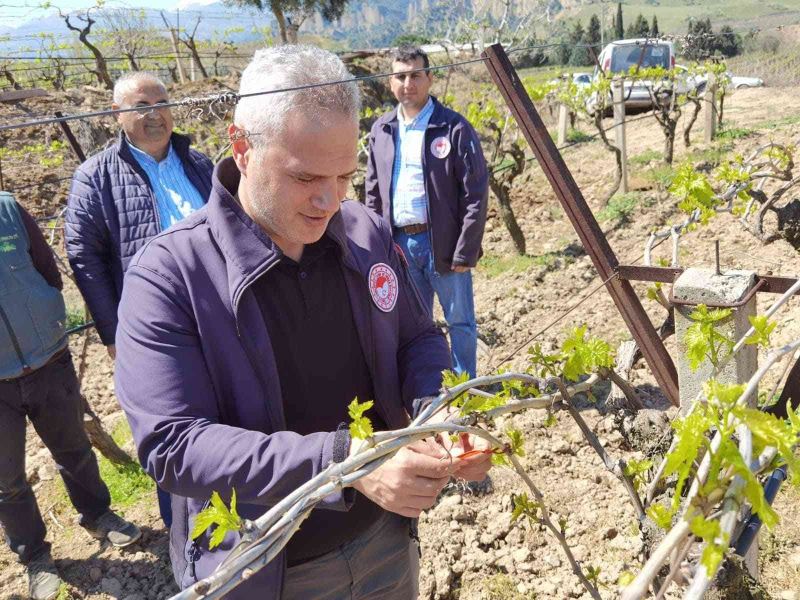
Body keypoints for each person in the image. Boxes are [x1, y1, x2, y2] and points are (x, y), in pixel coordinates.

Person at [114, 45, 493, 600]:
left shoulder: (364, 232)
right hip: (265, 568)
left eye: (343, 175)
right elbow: (173, 444)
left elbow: (415, 337)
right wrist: (343, 463)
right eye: (305, 177)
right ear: (241, 148)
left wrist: (436, 407)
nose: (327, 200)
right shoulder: (169, 277)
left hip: (385, 540)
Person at [65, 72, 214, 528]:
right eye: (142, 105)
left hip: (218, 315)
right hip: (155, 329)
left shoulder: (199, 164)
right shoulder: (96, 176)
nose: (155, 114)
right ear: (117, 115)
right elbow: (83, 255)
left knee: (229, 414)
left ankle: (240, 516)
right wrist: (113, 331)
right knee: (170, 426)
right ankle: (184, 535)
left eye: (162, 102)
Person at [0, 191, 141, 600]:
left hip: (48, 359)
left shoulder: (8, 209)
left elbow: (47, 270)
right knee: (7, 480)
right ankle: (35, 559)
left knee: (74, 449)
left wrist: (44, 314)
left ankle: (98, 514)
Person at [365, 46, 489, 379]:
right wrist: (377, 247)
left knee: (460, 321)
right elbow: (373, 194)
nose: (408, 83)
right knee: (414, 327)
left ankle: (465, 390)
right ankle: (429, 390)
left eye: (415, 75)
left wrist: (466, 248)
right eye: (400, 76)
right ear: (391, 82)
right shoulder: (382, 130)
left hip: (444, 245)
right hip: (400, 248)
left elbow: (475, 194)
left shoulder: (454, 128)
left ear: (429, 78)